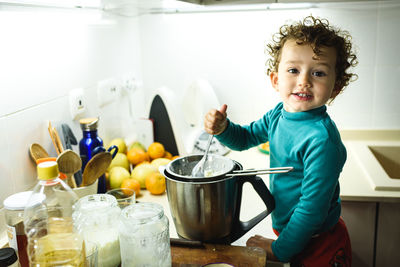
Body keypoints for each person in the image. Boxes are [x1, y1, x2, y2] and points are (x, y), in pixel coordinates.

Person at [203, 15, 358, 266]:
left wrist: (279, 250)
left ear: (335, 88)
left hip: (320, 244)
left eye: (318, 73)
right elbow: (245, 138)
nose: (304, 81)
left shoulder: (322, 141)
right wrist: (223, 128)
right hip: (294, 237)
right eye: (293, 70)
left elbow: (311, 212)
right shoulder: (278, 114)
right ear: (276, 79)